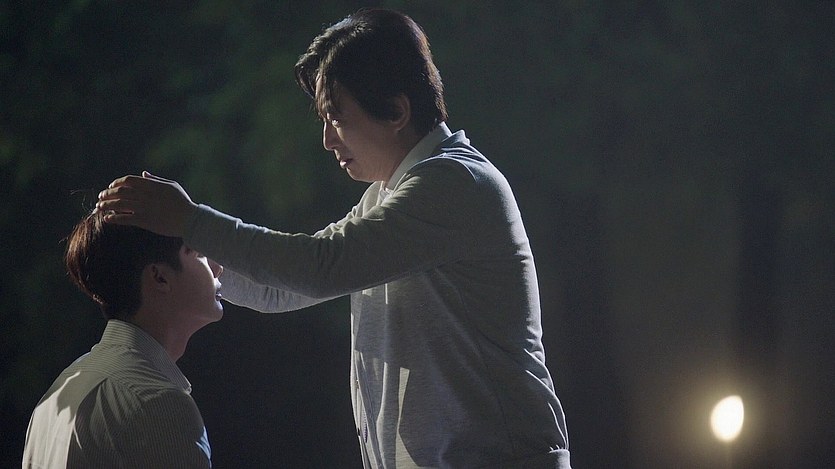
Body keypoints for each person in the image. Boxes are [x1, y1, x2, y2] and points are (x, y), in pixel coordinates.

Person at [96, 8, 571, 469]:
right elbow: (285, 287)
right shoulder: (386, 195)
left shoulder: (453, 182)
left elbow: (318, 267)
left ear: (397, 110)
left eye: (337, 118)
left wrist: (189, 221)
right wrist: (198, 256)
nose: (327, 139)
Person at [22, 210, 223, 468]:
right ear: (159, 277)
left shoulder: (59, 391)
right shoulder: (157, 403)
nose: (217, 268)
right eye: (198, 254)